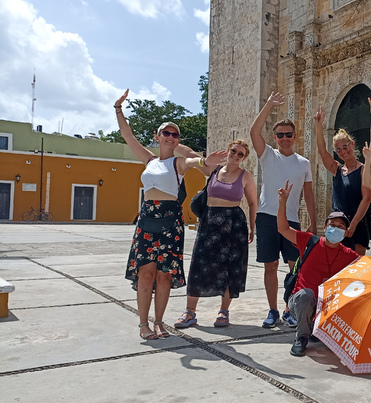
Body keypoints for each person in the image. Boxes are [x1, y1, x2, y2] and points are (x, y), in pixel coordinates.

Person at [115, 89, 225, 340]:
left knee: (164, 276)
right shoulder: (149, 160)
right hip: (147, 220)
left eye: (175, 135)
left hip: (170, 222)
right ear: (157, 136)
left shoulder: (178, 163)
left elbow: (195, 163)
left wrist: (207, 161)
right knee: (145, 273)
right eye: (166, 132)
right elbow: (127, 135)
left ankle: (159, 322)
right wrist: (118, 109)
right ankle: (143, 324)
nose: (171, 137)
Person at [276, 181, 371, 356]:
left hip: (328, 306)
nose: (336, 229)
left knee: (358, 292)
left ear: (345, 233)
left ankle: (318, 329)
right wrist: (282, 202)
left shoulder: (349, 255)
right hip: (301, 302)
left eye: (340, 227)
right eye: (332, 225)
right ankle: (302, 336)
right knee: (306, 295)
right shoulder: (310, 241)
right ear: (325, 227)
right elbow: (283, 228)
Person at [250, 91, 317, 329]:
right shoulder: (268, 155)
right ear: (275, 137)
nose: (285, 138)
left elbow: (308, 194)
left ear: (295, 136)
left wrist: (313, 222)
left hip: (291, 221)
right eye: (280, 135)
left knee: (295, 266)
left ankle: (290, 308)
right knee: (270, 266)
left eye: (289, 134)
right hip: (267, 217)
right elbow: (253, 132)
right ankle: (272, 310)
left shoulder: (304, 163)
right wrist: (268, 104)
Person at [174, 140, 258, 329]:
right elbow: (190, 153)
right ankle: (189, 311)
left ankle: (224, 311)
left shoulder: (246, 176)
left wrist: (253, 227)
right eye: (234, 151)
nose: (235, 156)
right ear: (228, 151)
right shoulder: (213, 170)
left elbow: (253, 202)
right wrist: (171, 142)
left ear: (244, 158)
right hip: (209, 222)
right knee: (198, 264)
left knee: (230, 267)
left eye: (240, 154)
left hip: (233, 224)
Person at [313, 108, 371, 255]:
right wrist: (319, 127)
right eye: (338, 150)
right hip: (337, 223)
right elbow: (322, 151)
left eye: (345, 146)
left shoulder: (364, 170)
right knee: (334, 264)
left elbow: (367, 198)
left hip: (356, 224)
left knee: (355, 267)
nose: (343, 151)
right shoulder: (336, 169)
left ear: (352, 144)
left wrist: (352, 225)